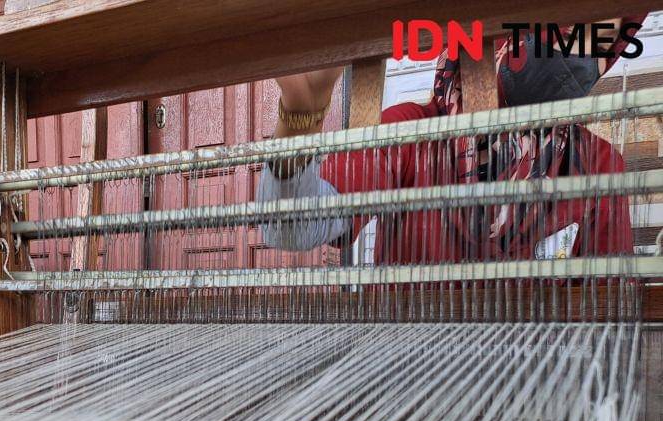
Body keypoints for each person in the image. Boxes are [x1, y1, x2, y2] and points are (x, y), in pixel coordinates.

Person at [260, 17, 646, 263]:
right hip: (411, 365)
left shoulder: (597, 165)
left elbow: (607, 315)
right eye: (574, 28)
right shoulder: (411, 135)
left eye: (603, 40)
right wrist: (300, 117)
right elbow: (292, 229)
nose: (581, 56)